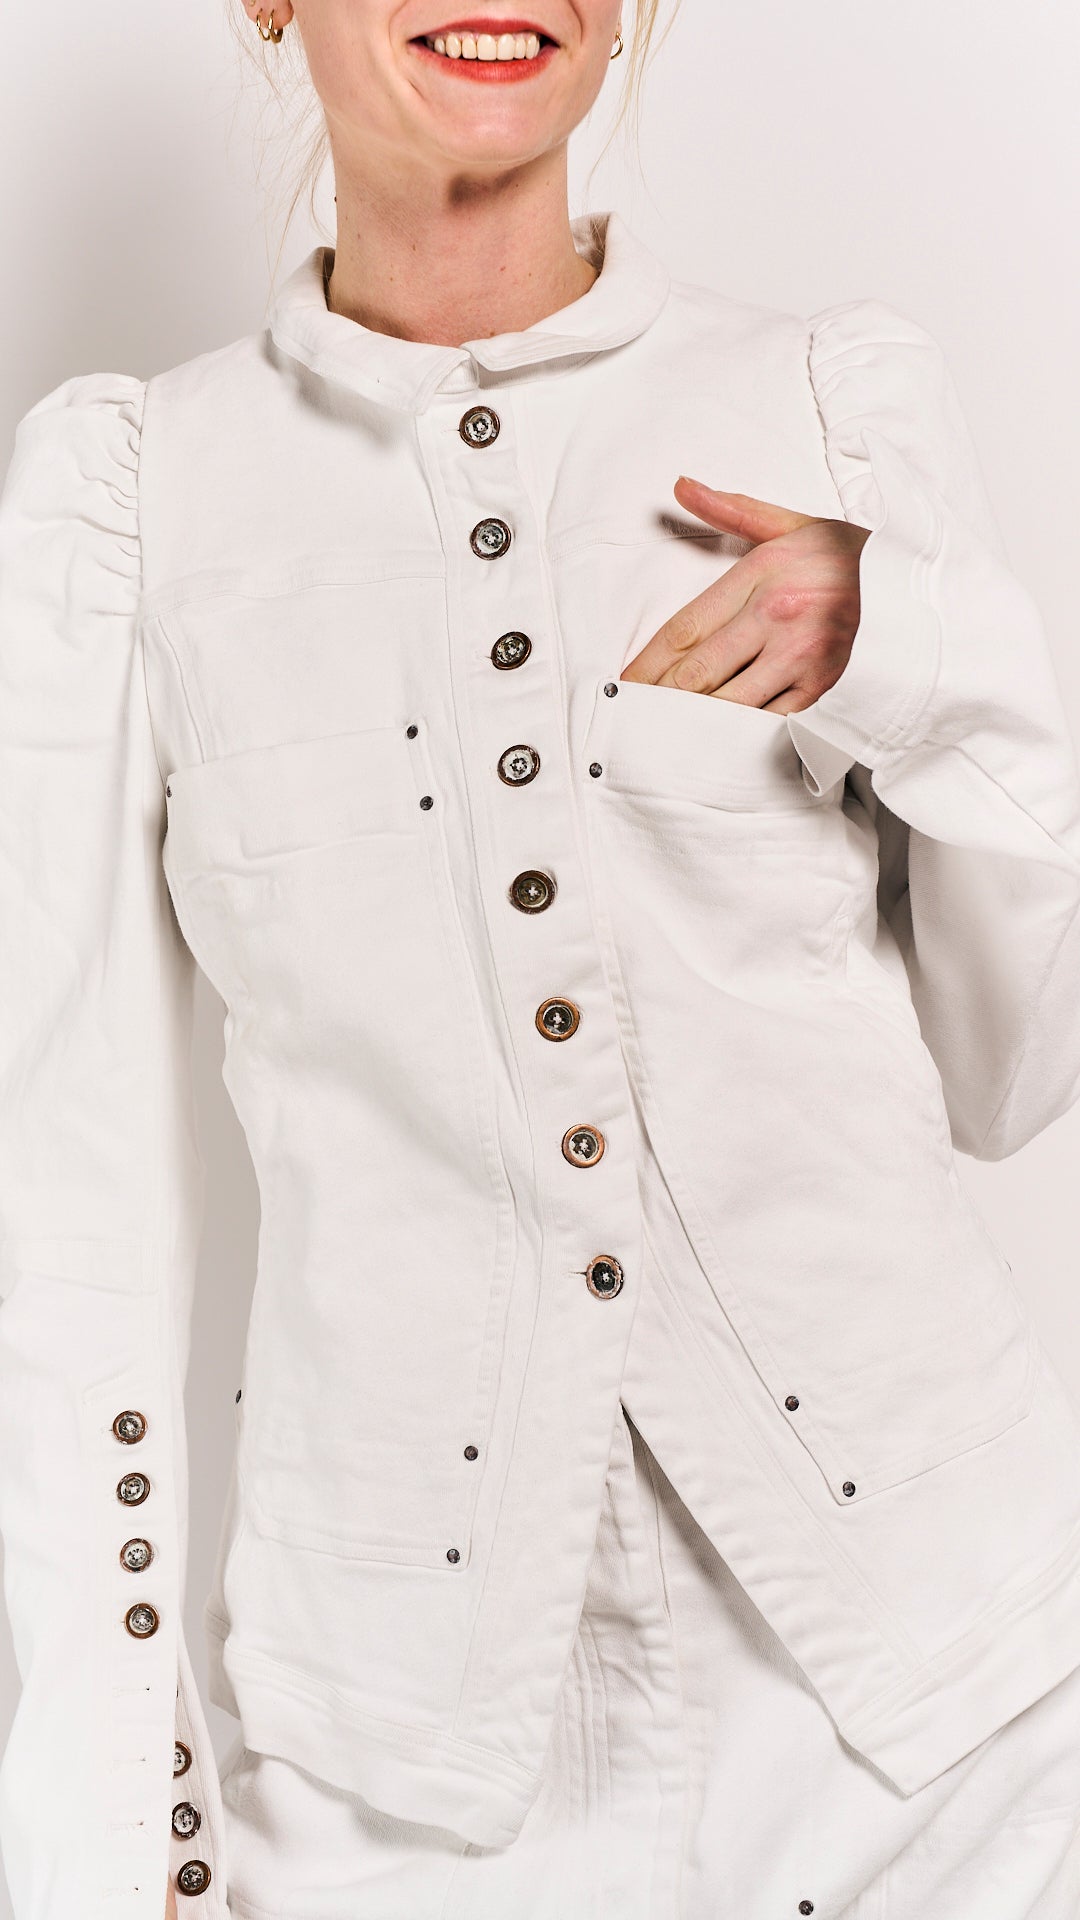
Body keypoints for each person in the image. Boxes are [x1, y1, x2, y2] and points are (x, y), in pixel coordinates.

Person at [2, 2, 1080, 1916]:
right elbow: (69, 1201)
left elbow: (1021, 1072)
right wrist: (109, 1825)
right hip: (407, 1768)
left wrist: (914, 655)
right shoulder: (139, 501)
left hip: (949, 1718)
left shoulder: (825, 405)